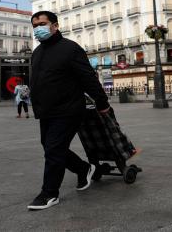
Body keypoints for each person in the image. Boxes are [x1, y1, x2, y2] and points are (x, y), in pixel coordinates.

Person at [27, 11, 110, 211]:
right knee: (49, 146)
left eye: (43, 23)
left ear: (55, 26)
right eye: (35, 24)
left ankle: (49, 193)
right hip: (46, 110)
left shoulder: (70, 48)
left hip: (69, 108)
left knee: (54, 148)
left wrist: (102, 102)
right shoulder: (37, 52)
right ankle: (83, 168)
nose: (38, 27)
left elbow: (87, 77)